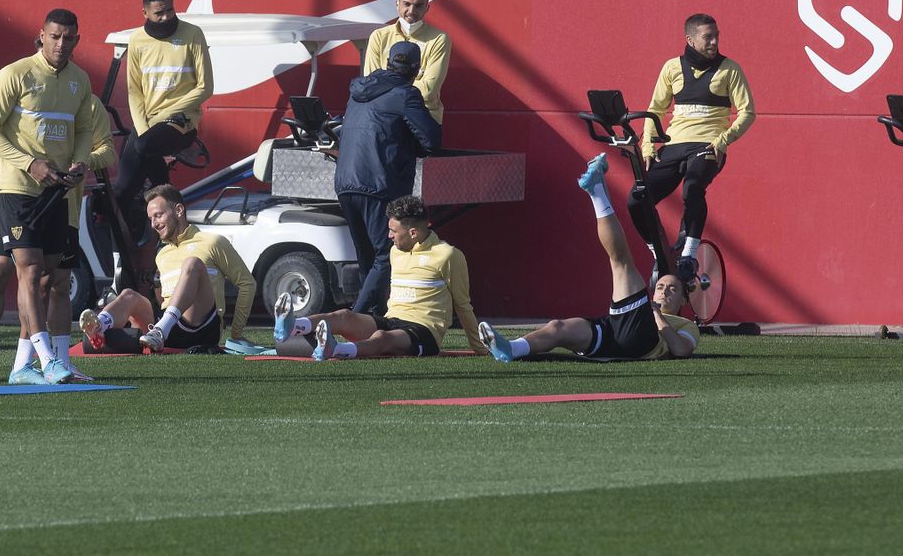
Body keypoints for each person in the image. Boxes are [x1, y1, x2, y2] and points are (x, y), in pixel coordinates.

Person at [0, 8, 100, 385]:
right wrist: (29, 163)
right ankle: (42, 359)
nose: (61, 44)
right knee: (25, 271)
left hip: (58, 190)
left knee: (51, 278)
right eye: (55, 36)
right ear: (41, 36)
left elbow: (84, 130)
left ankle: (25, 366)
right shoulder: (15, 74)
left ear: (77, 40)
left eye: (68, 38)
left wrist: (80, 161)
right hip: (18, 186)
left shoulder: (80, 80)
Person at [480, 153, 699, 362]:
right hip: (616, 330)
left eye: (672, 289)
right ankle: (511, 349)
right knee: (558, 327)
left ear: (684, 300)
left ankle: (596, 191)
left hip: (643, 342)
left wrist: (657, 316)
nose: (664, 292)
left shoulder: (687, 326)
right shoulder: (642, 309)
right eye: (660, 287)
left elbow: (681, 351)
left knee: (621, 264)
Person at [0, 95, 114, 383]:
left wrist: (80, 164)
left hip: (65, 207)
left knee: (54, 282)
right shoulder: (26, 91)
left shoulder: (88, 102)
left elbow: (107, 150)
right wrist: (11, 166)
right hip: (18, 203)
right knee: (2, 270)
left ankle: (43, 362)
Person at [273, 195, 486, 360]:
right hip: (391, 320)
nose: (389, 235)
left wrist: (479, 348)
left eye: (394, 231)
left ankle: (336, 349)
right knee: (344, 316)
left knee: (382, 339)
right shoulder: (396, 251)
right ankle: (293, 325)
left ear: (413, 233)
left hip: (424, 331)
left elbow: (463, 305)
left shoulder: (447, 255)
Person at [633, 13, 756, 289]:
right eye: (707, 37)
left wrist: (723, 140)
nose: (714, 42)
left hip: (708, 145)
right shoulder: (671, 68)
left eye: (716, 36)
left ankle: (689, 256)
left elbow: (747, 112)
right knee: (636, 200)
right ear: (690, 40)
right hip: (674, 144)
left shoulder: (730, 69)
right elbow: (655, 110)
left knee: (692, 188)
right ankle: (659, 253)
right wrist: (648, 146)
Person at [80, 184, 255, 353]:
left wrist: (236, 333)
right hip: (170, 329)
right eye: (151, 218)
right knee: (128, 295)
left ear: (178, 210)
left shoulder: (212, 242)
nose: (153, 224)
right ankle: (99, 326)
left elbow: (247, 283)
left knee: (192, 263)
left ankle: (160, 330)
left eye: (158, 215)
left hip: (202, 328)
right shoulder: (162, 254)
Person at [336, 40, 441, 315]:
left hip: (345, 182)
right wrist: (410, 145)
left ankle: (373, 318)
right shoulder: (407, 94)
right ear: (416, 70)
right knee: (386, 255)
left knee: (367, 257)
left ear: (387, 63)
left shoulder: (357, 92)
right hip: (379, 183)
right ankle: (354, 317)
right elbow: (432, 140)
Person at [112, 0, 213, 235]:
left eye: (170, 10)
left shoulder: (193, 34)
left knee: (145, 147)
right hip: (148, 126)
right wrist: (143, 128)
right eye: (159, 13)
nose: (166, 17)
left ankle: (172, 221)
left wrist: (165, 115)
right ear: (145, 13)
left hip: (181, 121)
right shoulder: (137, 40)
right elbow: (134, 92)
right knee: (121, 190)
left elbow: (205, 88)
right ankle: (127, 245)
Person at [361, 0, 452, 124]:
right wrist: (411, 86)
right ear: (397, 4)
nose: (411, 11)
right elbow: (371, 84)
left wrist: (387, 86)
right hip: (384, 117)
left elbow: (428, 91)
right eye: (407, 4)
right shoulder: (378, 37)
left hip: (422, 118)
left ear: (427, 8)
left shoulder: (439, 39)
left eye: (418, 5)